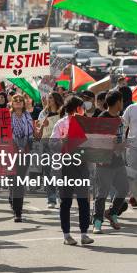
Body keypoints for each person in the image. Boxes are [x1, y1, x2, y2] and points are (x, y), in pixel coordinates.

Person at [50, 95, 94, 246]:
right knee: (66, 201)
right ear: (76, 108)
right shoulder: (61, 124)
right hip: (66, 166)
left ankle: (84, 234)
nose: (84, 110)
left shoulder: (85, 123)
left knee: (83, 201)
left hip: (82, 164)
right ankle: (67, 235)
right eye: (82, 107)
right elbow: (52, 144)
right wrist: (63, 140)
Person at [93, 90, 129, 233]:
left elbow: (120, 140)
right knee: (102, 192)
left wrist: (123, 144)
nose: (123, 103)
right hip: (104, 161)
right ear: (117, 102)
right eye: (121, 101)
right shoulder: (103, 118)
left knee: (124, 188)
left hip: (118, 159)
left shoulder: (119, 119)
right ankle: (97, 222)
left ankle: (112, 213)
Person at [9, 94, 35, 222]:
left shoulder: (28, 116)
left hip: (24, 151)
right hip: (10, 151)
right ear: (12, 103)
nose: (18, 102)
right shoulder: (7, 116)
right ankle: (12, 197)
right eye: (15, 100)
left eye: (20, 100)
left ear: (24, 103)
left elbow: (33, 135)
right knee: (12, 181)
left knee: (19, 181)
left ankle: (18, 212)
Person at [37, 92, 64, 209]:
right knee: (48, 172)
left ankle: (61, 194)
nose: (49, 100)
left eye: (51, 98)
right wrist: (42, 125)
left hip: (60, 146)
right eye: (48, 98)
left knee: (61, 172)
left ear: (57, 99)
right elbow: (39, 130)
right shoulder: (43, 113)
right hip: (47, 145)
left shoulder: (63, 113)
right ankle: (51, 198)